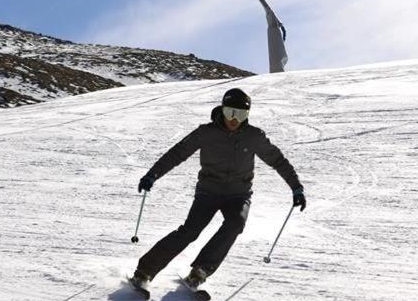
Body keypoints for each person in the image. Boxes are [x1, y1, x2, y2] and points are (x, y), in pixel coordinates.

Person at [131, 88, 306, 289]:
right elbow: (178, 153)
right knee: (190, 231)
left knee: (235, 224)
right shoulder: (205, 133)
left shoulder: (253, 136)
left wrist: (296, 188)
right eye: (231, 112)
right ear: (222, 110)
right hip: (208, 191)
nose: (234, 119)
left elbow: (278, 160)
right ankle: (144, 271)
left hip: (238, 195)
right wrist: (153, 174)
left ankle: (200, 271)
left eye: (241, 114)